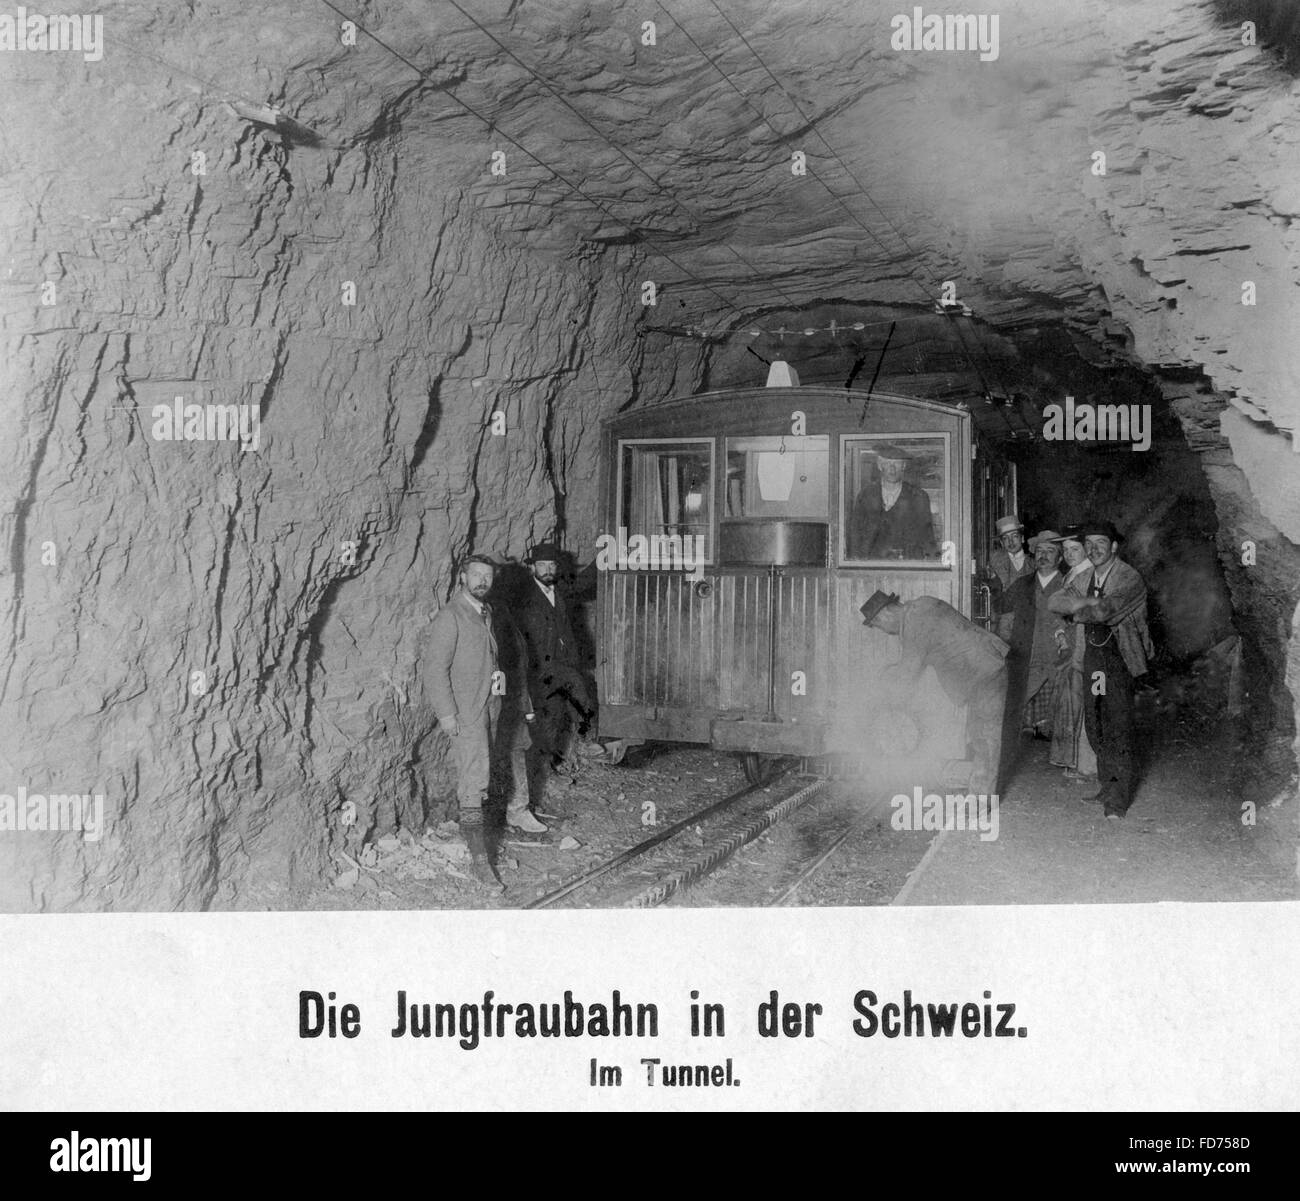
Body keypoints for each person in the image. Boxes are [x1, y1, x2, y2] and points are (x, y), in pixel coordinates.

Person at [1048, 520, 1153, 819]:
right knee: (1096, 725)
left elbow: (1106, 612)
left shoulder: (1128, 577)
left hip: (1119, 660)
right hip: (1094, 659)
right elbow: (1056, 600)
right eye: (1089, 545)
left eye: (1101, 544)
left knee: (1118, 726)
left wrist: (1078, 607)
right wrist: (1087, 602)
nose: (1094, 550)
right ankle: (1107, 786)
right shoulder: (1088, 576)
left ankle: (1117, 801)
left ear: (1115, 546)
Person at [426, 554, 517, 891]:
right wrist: (447, 714)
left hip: (488, 707)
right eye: (476, 575)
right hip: (466, 712)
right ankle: (481, 862)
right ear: (462, 577)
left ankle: (482, 848)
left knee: (485, 777)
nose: (482, 581)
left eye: (488, 576)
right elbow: (435, 669)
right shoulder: (451, 616)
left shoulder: (485, 612)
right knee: (473, 781)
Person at [859, 589, 1010, 793]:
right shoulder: (922, 605)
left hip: (984, 671)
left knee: (985, 737)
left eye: (878, 625)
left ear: (884, 614)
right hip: (985, 665)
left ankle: (981, 800)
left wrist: (881, 698)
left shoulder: (914, 622)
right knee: (979, 734)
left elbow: (908, 673)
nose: (884, 631)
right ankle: (979, 790)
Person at [514, 542, 594, 816]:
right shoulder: (524, 597)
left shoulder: (557, 591)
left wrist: (605, 559)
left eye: (552, 566)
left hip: (558, 668)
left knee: (556, 720)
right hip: (538, 672)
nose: (548, 570)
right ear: (531, 567)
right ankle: (536, 781)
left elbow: (582, 583)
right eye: (542, 566)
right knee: (543, 722)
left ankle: (547, 771)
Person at [998, 531, 1067, 740]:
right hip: (1027, 655)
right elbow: (1001, 606)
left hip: (1058, 659)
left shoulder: (1069, 585)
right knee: (1015, 705)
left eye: (1050, 551)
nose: (1043, 555)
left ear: (1060, 557)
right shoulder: (1022, 584)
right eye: (1039, 551)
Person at [1047, 528, 1098, 782]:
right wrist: (1059, 634)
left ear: (1086, 550)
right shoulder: (1072, 575)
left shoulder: (1090, 574)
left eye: (1074, 549)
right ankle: (1078, 761)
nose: (1068, 554)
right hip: (1071, 644)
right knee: (1073, 701)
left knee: (1086, 702)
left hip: (1085, 645)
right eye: (1065, 550)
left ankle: (1088, 765)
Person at [848, 444, 938, 560]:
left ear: (904, 466)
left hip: (907, 568)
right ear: (880, 466)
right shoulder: (866, 496)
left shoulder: (918, 497)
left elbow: (928, 539)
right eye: (887, 463)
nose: (892, 468)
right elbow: (855, 537)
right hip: (873, 568)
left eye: (897, 463)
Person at [989, 515, 1034, 593]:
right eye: (1005, 538)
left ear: (1022, 538)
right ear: (1001, 543)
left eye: (1015, 536)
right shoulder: (995, 561)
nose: (1011, 541)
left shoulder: (1034, 563)